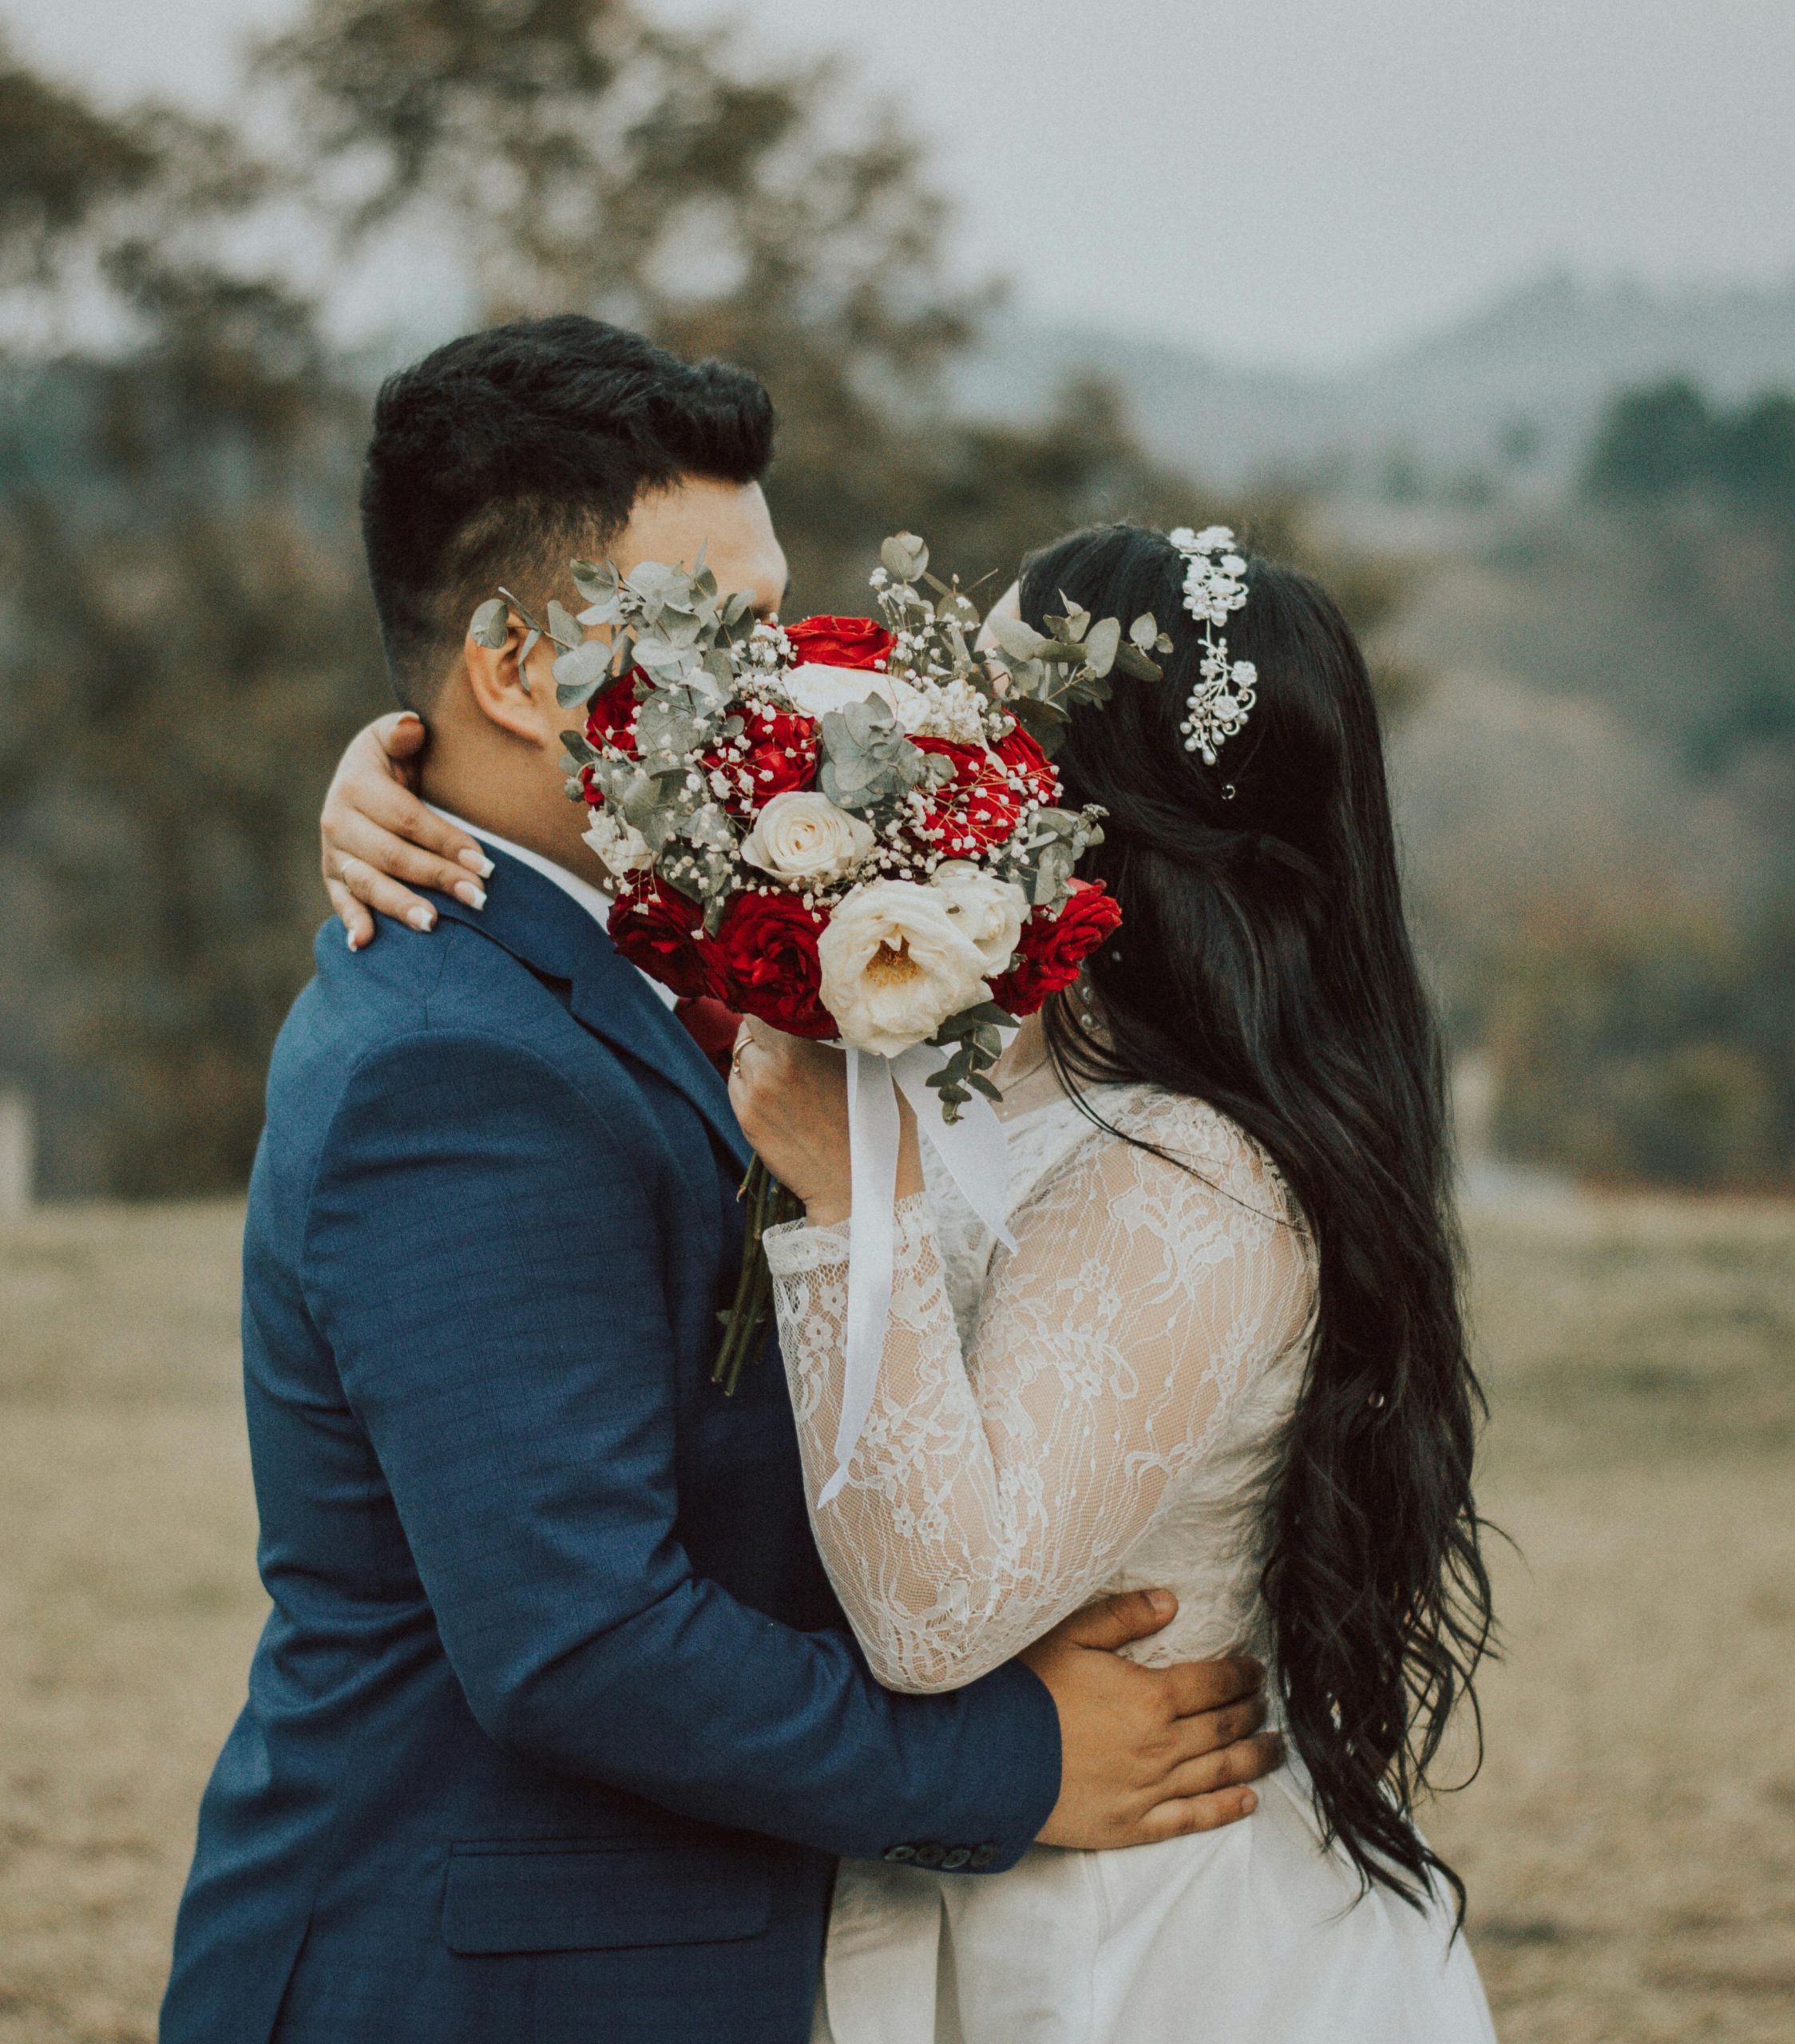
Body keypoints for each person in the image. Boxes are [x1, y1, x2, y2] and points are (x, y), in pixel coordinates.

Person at [162, 318, 1281, 2044]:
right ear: (518, 669)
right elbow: (579, 1640)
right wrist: (1013, 1756)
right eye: (728, 638)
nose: (789, 697)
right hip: (471, 1981)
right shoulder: (453, 1071)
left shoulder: (684, 938)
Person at [324, 515, 1502, 2040]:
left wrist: (845, 1201)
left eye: (968, 707)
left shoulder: (1190, 1179)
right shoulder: (975, 1054)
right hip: (958, 1880)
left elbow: (936, 1621)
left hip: (1135, 1939)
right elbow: (641, 951)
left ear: (1083, 810)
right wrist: (395, 785)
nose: (908, 731)